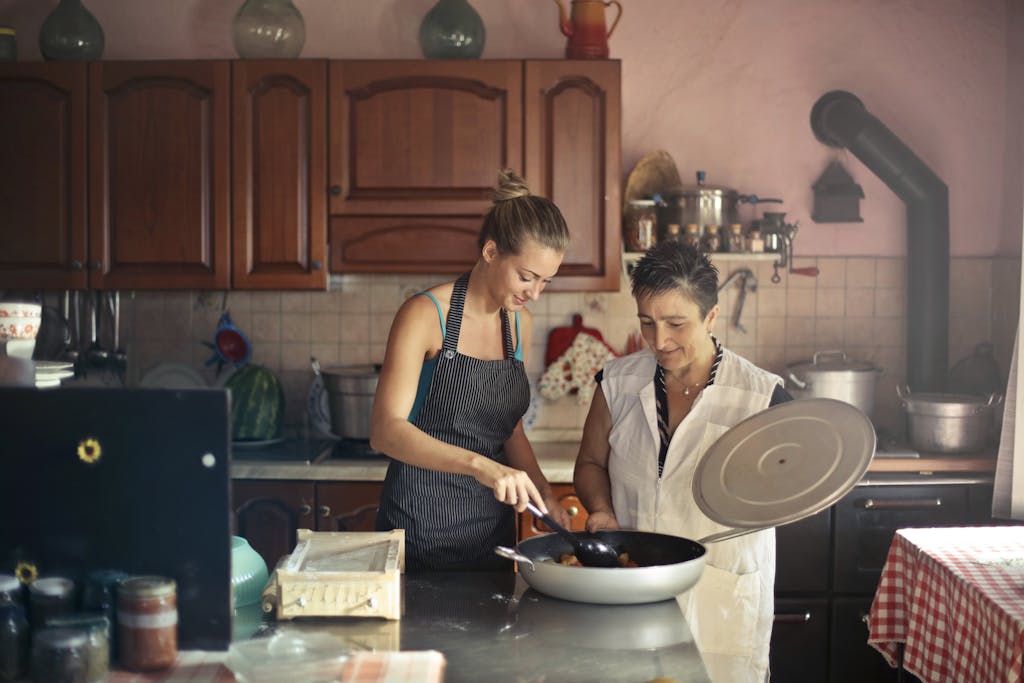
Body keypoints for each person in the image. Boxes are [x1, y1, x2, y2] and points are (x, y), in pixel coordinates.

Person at [573, 241, 792, 683]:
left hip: (721, 597)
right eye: (647, 323)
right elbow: (591, 463)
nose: (659, 341)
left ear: (711, 317)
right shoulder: (616, 382)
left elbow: (789, 493)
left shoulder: (762, 397)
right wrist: (601, 509)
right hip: (633, 591)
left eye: (676, 323)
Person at [371, 168, 572, 572]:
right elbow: (385, 431)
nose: (534, 293)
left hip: (492, 536)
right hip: (419, 529)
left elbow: (508, 428)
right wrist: (480, 465)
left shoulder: (519, 324)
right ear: (491, 252)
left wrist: (544, 493)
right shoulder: (425, 314)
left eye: (546, 282)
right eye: (527, 277)